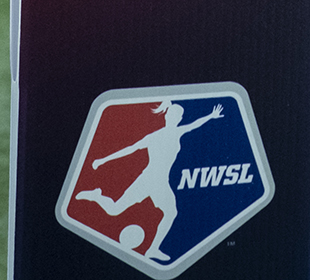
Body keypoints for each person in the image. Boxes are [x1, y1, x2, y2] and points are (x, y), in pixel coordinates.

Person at [75, 101, 224, 263]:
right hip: (147, 180)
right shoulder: (154, 136)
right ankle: (96, 196)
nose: (175, 118)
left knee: (171, 213)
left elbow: (195, 124)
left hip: (161, 183)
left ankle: (153, 249)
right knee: (114, 210)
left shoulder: (178, 132)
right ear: (167, 116)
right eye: (172, 114)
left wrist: (211, 116)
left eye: (178, 115)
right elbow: (130, 149)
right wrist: (103, 160)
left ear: (180, 118)